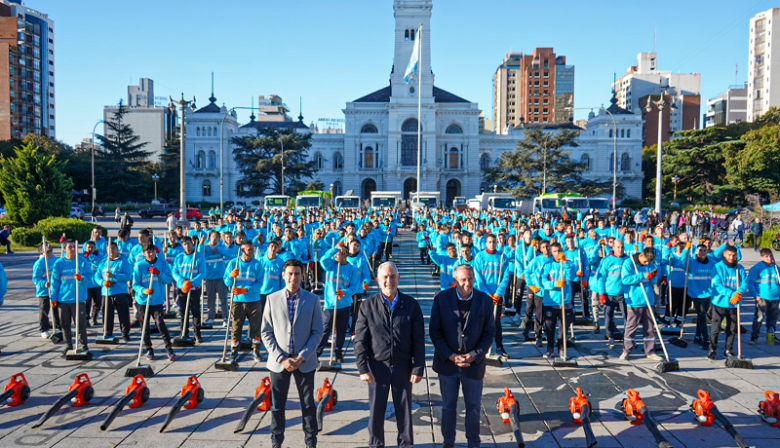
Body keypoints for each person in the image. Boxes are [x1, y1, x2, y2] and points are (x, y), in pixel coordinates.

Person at [354, 262, 425, 448]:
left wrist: (418, 368)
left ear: (398, 279)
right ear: (378, 280)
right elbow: (360, 340)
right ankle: (376, 444)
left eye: (393, 276)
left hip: (403, 366)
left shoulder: (411, 305)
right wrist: (363, 368)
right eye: (385, 277)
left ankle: (406, 445)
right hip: (377, 367)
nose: (389, 280)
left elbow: (419, 340)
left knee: (405, 411)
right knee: (376, 412)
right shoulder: (367, 306)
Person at [429, 264, 495, 448]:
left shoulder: (484, 301)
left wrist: (474, 355)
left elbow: (489, 333)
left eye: (470, 279)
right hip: (448, 365)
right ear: (455, 281)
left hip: (473, 365)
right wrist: (450, 355)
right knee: (448, 407)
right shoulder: (441, 299)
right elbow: (435, 331)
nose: (468, 283)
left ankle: (474, 442)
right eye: (463, 280)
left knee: (473, 408)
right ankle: (448, 442)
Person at [261, 259, 323, 448]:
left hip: (304, 362)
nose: (293, 277)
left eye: (297, 274)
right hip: (279, 362)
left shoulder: (312, 300)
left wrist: (302, 356)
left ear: (302, 276)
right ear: (283, 275)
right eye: (290, 273)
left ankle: (310, 442)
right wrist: (281, 357)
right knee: (277, 406)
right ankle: (276, 441)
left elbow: (317, 331)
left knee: (308, 405)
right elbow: (266, 331)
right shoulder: (272, 299)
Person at [317, 244, 361, 365]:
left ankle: (338, 352)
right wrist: (335, 249)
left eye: (341, 253)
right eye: (337, 253)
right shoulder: (330, 265)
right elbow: (322, 259)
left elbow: (354, 288)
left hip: (344, 305)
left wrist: (344, 292)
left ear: (345, 255)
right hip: (330, 304)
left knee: (341, 331)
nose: (337, 255)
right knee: (325, 330)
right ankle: (317, 352)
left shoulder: (352, 270)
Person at [132, 242, 176, 361]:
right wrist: (143, 290)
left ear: (156, 251)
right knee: (144, 327)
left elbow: (168, 280)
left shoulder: (162, 263)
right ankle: (149, 350)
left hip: (156, 301)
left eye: (152, 251)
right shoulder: (139, 265)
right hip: (143, 302)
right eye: (148, 252)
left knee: (161, 325)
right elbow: (135, 285)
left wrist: (158, 273)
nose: (150, 254)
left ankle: (169, 349)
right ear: (144, 253)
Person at [620, 247, 663, 361]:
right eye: (645, 261)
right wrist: (642, 275)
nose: (647, 263)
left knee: (649, 328)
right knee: (631, 327)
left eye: (649, 262)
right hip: (634, 300)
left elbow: (653, 282)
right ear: (641, 255)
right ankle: (626, 351)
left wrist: (654, 276)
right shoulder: (628, 262)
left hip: (648, 299)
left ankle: (650, 351)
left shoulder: (651, 264)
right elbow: (625, 280)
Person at [224, 240, 265, 361]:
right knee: (236, 325)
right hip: (237, 300)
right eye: (249, 249)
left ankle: (256, 350)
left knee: (255, 326)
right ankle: (234, 350)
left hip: (253, 300)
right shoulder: (233, 263)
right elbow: (226, 281)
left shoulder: (257, 264)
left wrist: (246, 290)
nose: (252, 252)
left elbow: (260, 283)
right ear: (242, 251)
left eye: (252, 249)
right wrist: (231, 276)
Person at [50, 240, 91, 357]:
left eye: (74, 246)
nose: (73, 249)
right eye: (70, 247)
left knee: (80, 324)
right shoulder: (59, 263)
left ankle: (84, 345)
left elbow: (89, 278)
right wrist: (53, 297)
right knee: (65, 325)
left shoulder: (82, 262)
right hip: (63, 300)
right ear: (64, 249)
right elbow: (55, 282)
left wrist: (81, 278)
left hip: (78, 299)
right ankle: (68, 345)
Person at [709, 245, 748, 360]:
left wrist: (738, 293)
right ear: (724, 255)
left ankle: (728, 350)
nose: (732, 257)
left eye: (734, 255)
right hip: (720, 302)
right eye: (729, 255)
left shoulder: (739, 268)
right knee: (716, 328)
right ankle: (712, 349)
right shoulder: (717, 267)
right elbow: (717, 285)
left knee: (732, 328)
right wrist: (732, 294)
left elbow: (745, 283)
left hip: (734, 303)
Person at [94, 242, 134, 342]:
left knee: (123, 314)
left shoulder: (123, 262)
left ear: (117, 249)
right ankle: (107, 333)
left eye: (113, 248)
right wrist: (103, 282)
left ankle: (125, 333)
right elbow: (97, 276)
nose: (111, 250)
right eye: (109, 249)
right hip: (106, 292)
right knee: (107, 314)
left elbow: (128, 276)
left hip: (120, 292)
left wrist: (114, 276)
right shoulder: (103, 262)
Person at [172, 236, 206, 344]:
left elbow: (202, 273)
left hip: (194, 288)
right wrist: (182, 281)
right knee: (183, 311)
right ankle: (184, 333)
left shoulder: (199, 256)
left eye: (189, 243)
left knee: (195, 310)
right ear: (182, 245)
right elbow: (174, 271)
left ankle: (197, 333)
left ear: (192, 243)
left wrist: (192, 282)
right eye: (185, 244)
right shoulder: (179, 257)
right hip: (182, 288)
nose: (187, 246)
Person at [747, 249, 780, 345]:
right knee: (759, 318)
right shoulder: (757, 268)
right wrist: (755, 295)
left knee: (773, 319)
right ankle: (754, 337)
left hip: (776, 297)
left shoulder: (777, 268)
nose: (769, 258)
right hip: (762, 297)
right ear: (762, 257)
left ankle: (771, 337)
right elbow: (750, 282)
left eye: (771, 256)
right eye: (766, 256)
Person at [32, 242, 60, 338]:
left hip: (56, 290)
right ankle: (44, 329)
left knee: (57, 309)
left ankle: (58, 327)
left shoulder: (57, 260)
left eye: (49, 245)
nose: (49, 246)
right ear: (41, 251)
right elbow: (36, 278)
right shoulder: (39, 263)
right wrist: (44, 283)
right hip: (44, 291)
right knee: (44, 310)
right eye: (45, 246)